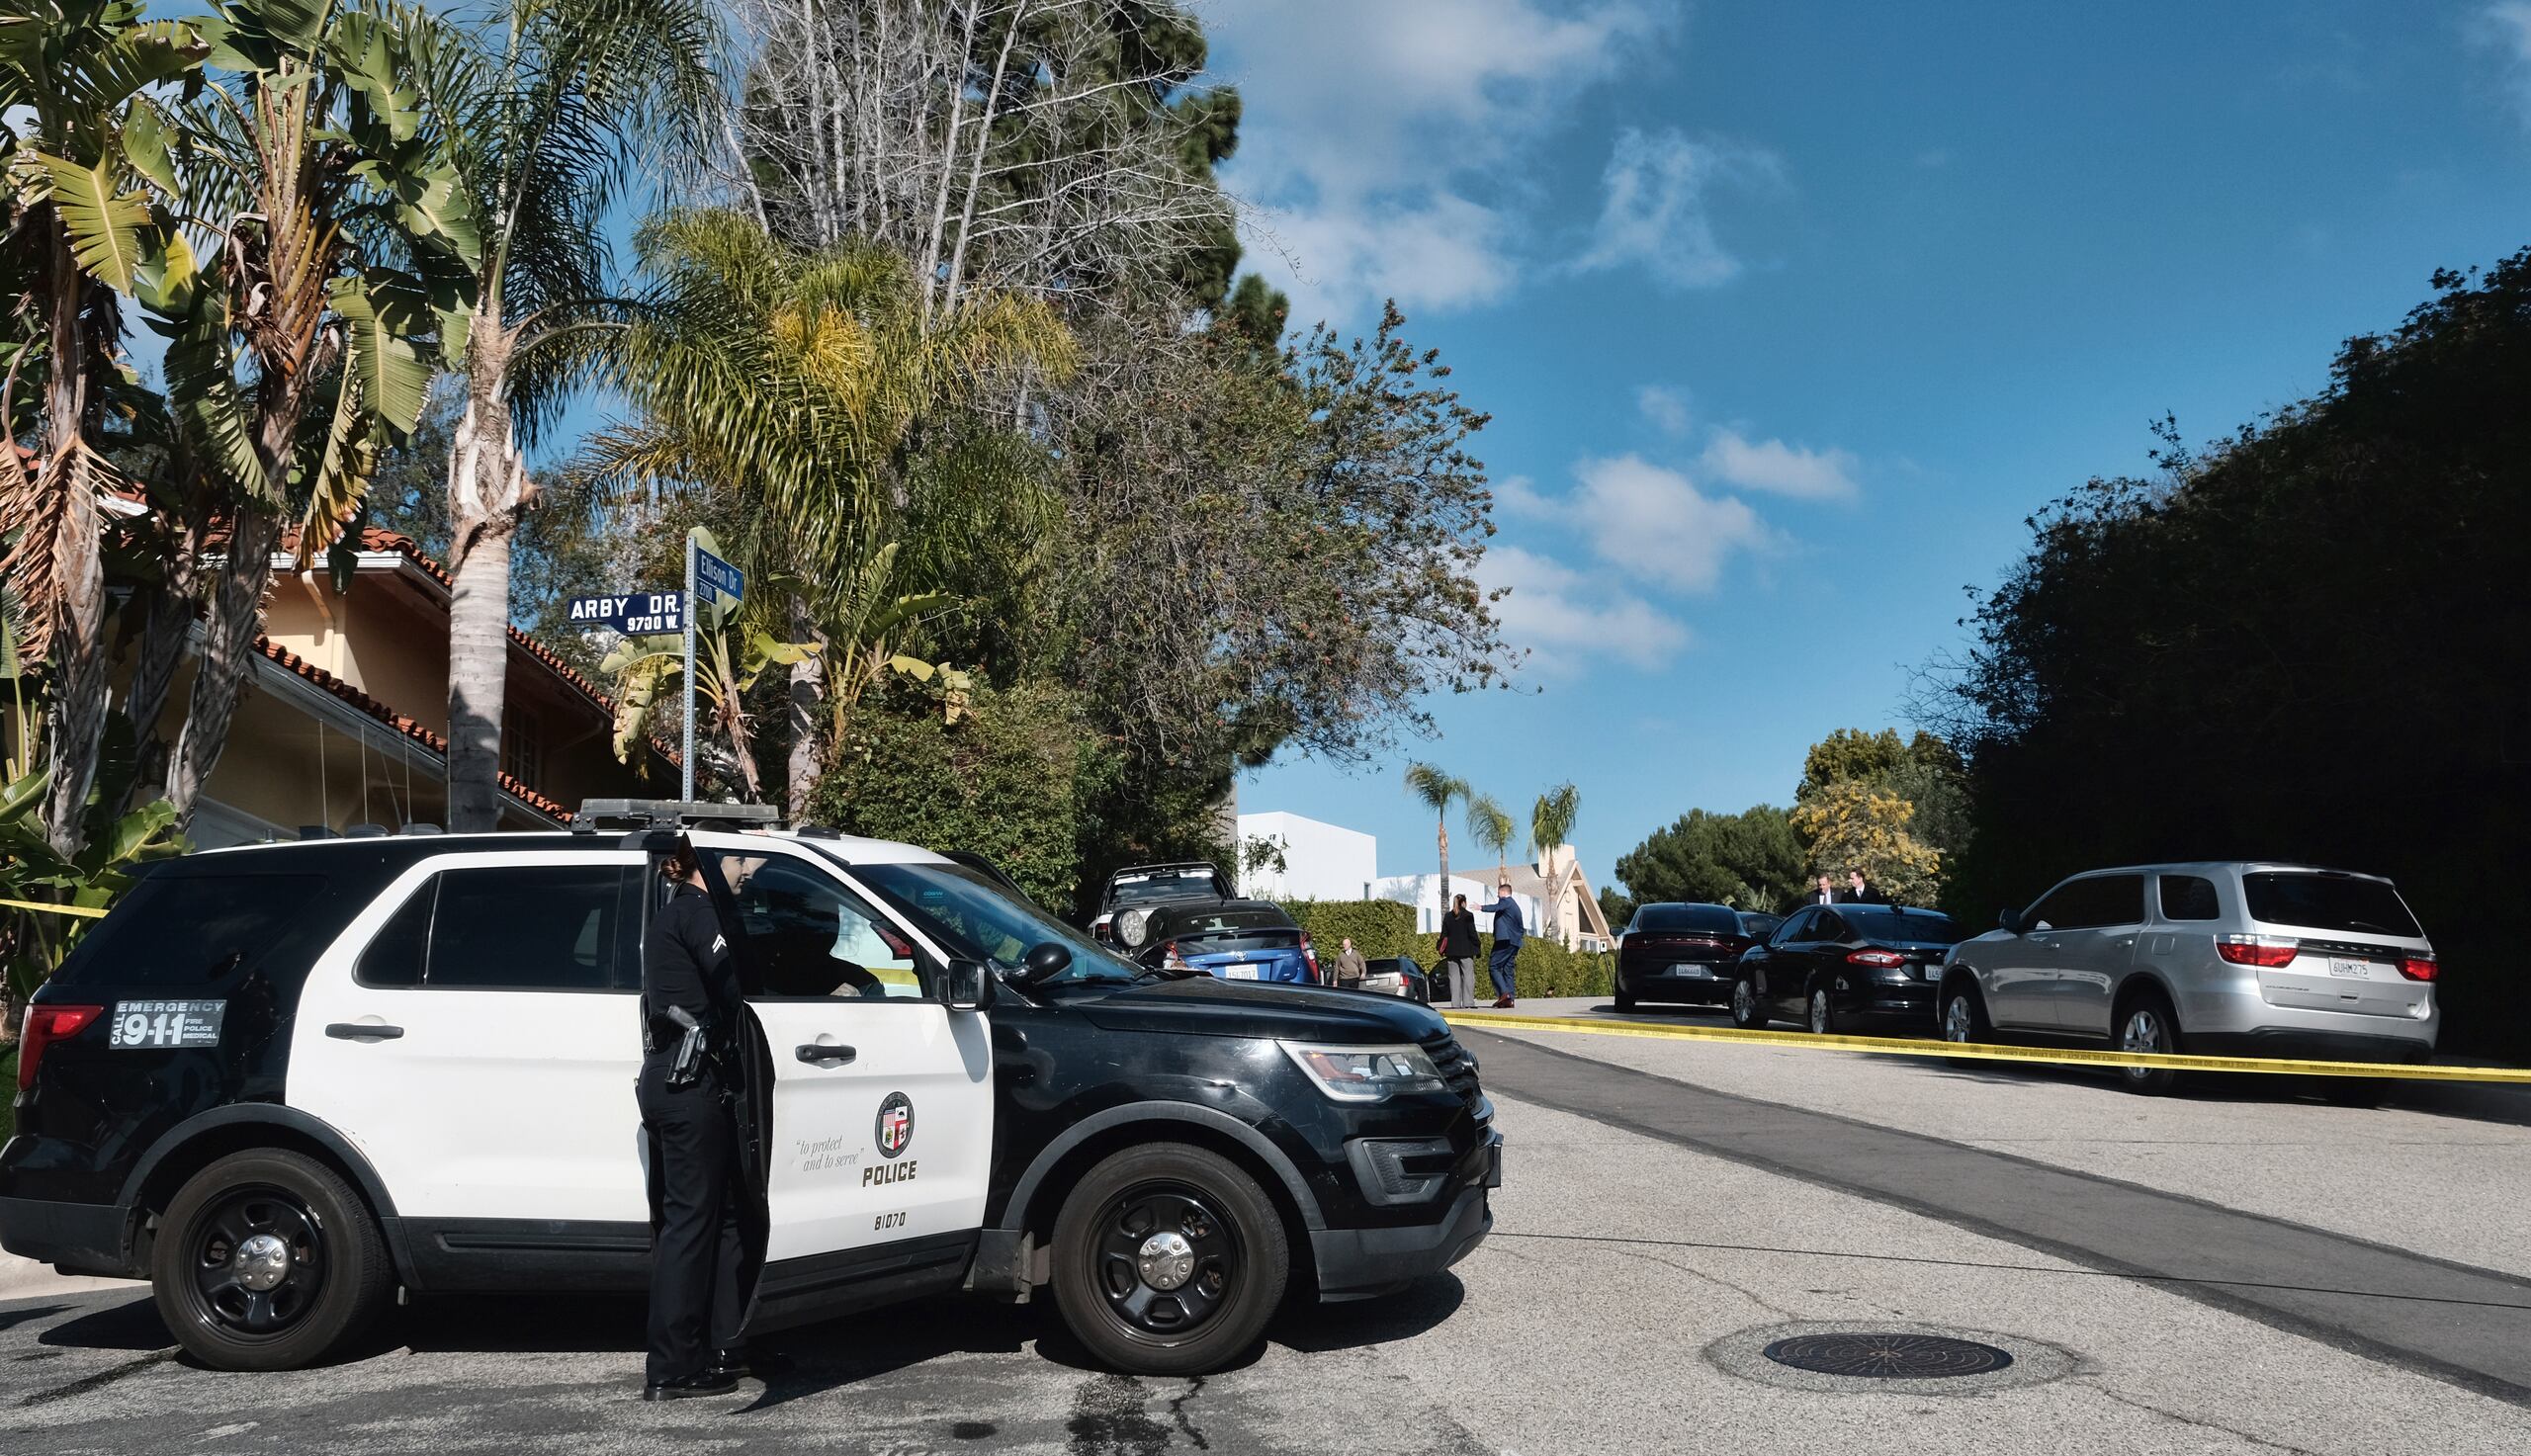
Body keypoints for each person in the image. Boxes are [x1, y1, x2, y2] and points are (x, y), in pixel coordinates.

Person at [636, 845, 755, 1402]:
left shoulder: (674, 913)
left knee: (721, 1215)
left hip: (681, 1079)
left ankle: (723, 1344)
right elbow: (733, 987)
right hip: (692, 1080)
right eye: (734, 859)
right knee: (690, 1223)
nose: (744, 869)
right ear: (700, 863)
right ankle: (673, 1367)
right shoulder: (699, 913)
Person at [1474, 881, 1526, 1009]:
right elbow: (1520, 927)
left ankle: (1505, 994)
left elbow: (1496, 907)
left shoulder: (1506, 902)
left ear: (1504, 892)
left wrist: (1481, 907)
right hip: (1514, 942)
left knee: (1494, 966)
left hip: (1504, 941)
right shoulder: (1515, 906)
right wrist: (1517, 940)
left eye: (1498, 893)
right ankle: (1510, 1000)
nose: (1497, 896)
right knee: (1508, 969)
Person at [1438, 895, 1480, 1009]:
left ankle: (1455, 1004)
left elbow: (1443, 935)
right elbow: (1472, 934)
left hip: (1451, 952)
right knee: (1468, 977)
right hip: (1466, 951)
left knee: (1454, 979)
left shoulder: (1447, 916)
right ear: (1464, 903)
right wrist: (1478, 946)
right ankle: (1468, 1003)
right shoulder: (1468, 915)